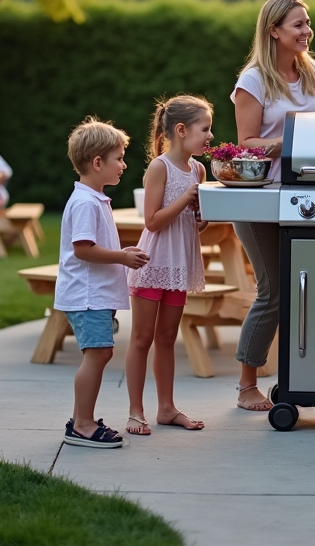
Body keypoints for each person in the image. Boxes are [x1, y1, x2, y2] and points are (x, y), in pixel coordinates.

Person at [230, 0, 315, 411]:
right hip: (260, 199)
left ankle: (303, 375)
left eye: (308, 23)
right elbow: (246, 146)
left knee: (307, 290)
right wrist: (291, 141)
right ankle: (246, 385)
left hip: (308, 196)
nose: (307, 31)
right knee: (273, 290)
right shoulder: (253, 81)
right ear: (274, 30)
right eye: (298, 24)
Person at [54, 117, 149, 448]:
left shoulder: (92, 198)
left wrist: (121, 253)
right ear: (97, 163)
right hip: (87, 296)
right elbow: (83, 250)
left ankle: (83, 419)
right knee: (97, 354)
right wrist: (122, 257)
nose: (123, 165)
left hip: (94, 295)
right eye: (119, 158)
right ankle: (81, 424)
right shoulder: (84, 202)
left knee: (100, 353)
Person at [124, 95, 214, 435]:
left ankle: (166, 408)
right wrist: (184, 199)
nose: (210, 136)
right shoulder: (159, 167)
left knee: (167, 337)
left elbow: (193, 223)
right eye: (204, 129)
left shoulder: (198, 169)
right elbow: (151, 221)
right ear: (181, 130)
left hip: (179, 265)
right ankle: (136, 411)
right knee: (142, 338)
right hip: (154, 262)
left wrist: (202, 216)